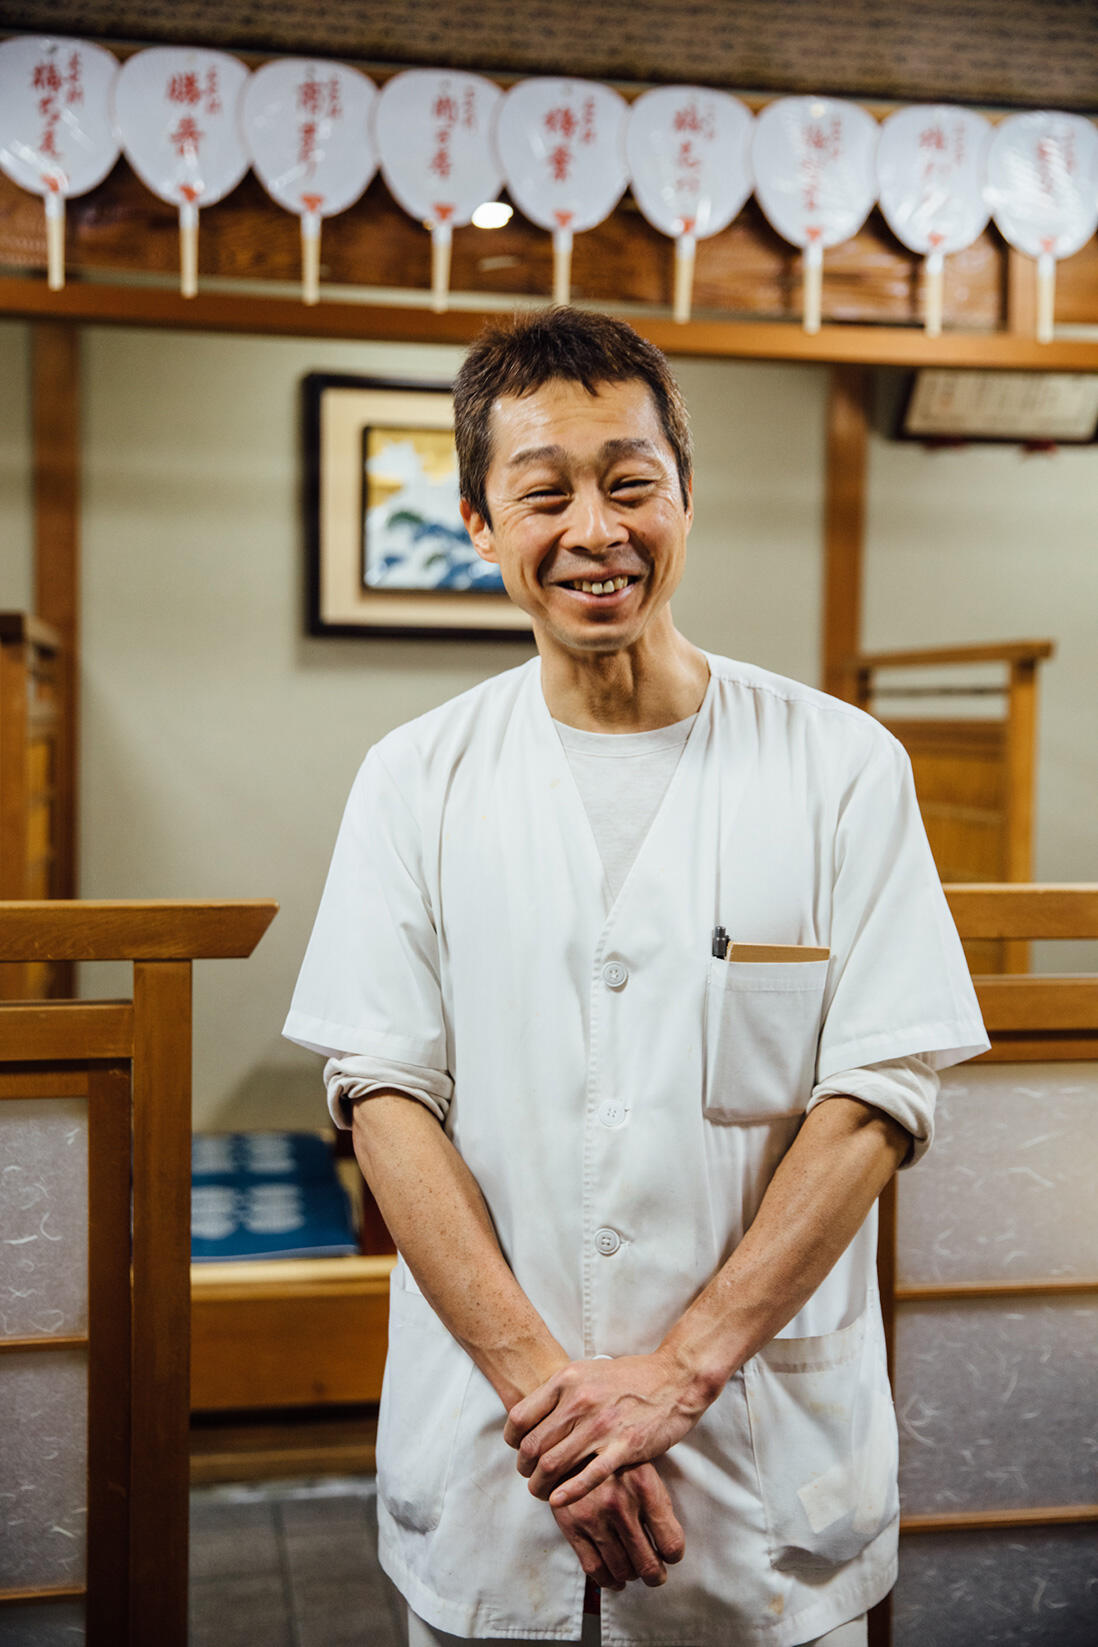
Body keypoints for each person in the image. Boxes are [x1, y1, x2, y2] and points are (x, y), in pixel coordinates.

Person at [284, 307, 988, 1647]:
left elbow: (876, 1088)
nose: (594, 531)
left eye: (629, 483)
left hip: (752, 1460)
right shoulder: (415, 778)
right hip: (499, 1457)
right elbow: (382, 1094)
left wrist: (675, 1376)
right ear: (481, 526)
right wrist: (555, 1408)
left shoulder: (836, 766)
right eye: (542, 494)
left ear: (682, 493)